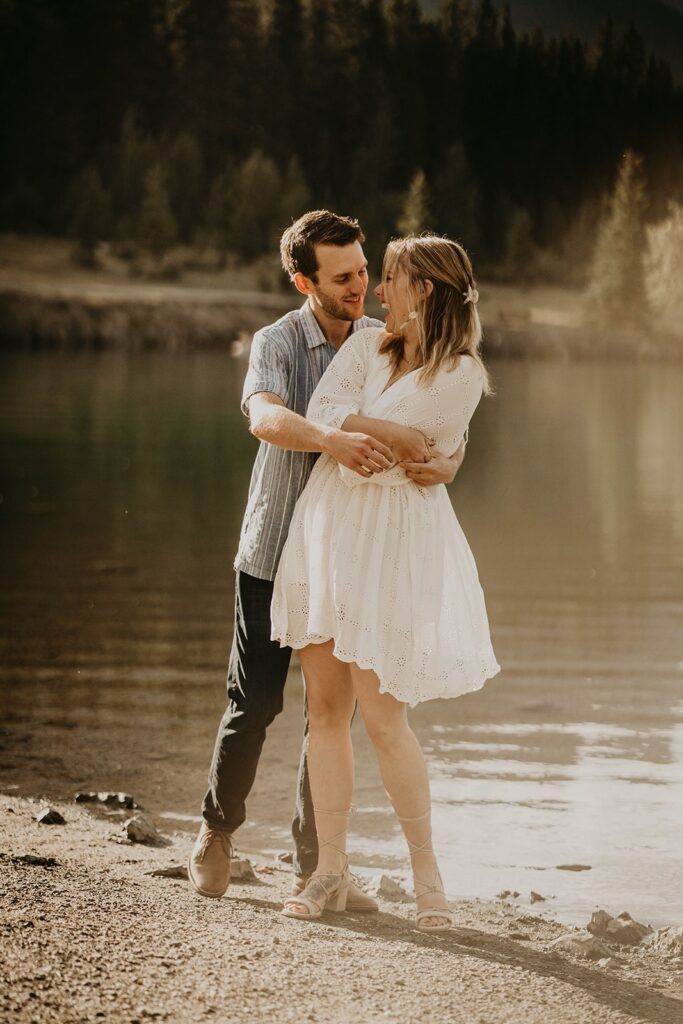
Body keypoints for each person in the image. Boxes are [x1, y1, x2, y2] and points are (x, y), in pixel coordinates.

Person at [188, 212, 465, 906]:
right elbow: (263, 417)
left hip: (346, 556)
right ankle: (216, 831)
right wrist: (330, 439)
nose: (360, 287)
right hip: (274, 543)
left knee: (331, 712)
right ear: (303, 279)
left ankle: (317, 863)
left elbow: (433, 418)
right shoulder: (278, 340)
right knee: (253, 702)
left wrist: (453, 460)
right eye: (342, 277)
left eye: (365, 271)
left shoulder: (379, 338)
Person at [272, 234, 500, 931]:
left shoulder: (461, 373)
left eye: (391, 277)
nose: (377, 291)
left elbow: (416, 441)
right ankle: (329, 870)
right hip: (330, 528)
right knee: (326, 708)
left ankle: (427, 877)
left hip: (397, 542)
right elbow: (329, 420)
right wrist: (379, 435)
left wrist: (395, 440)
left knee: (383, 717)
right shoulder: (367, 345)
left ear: (423, 289)